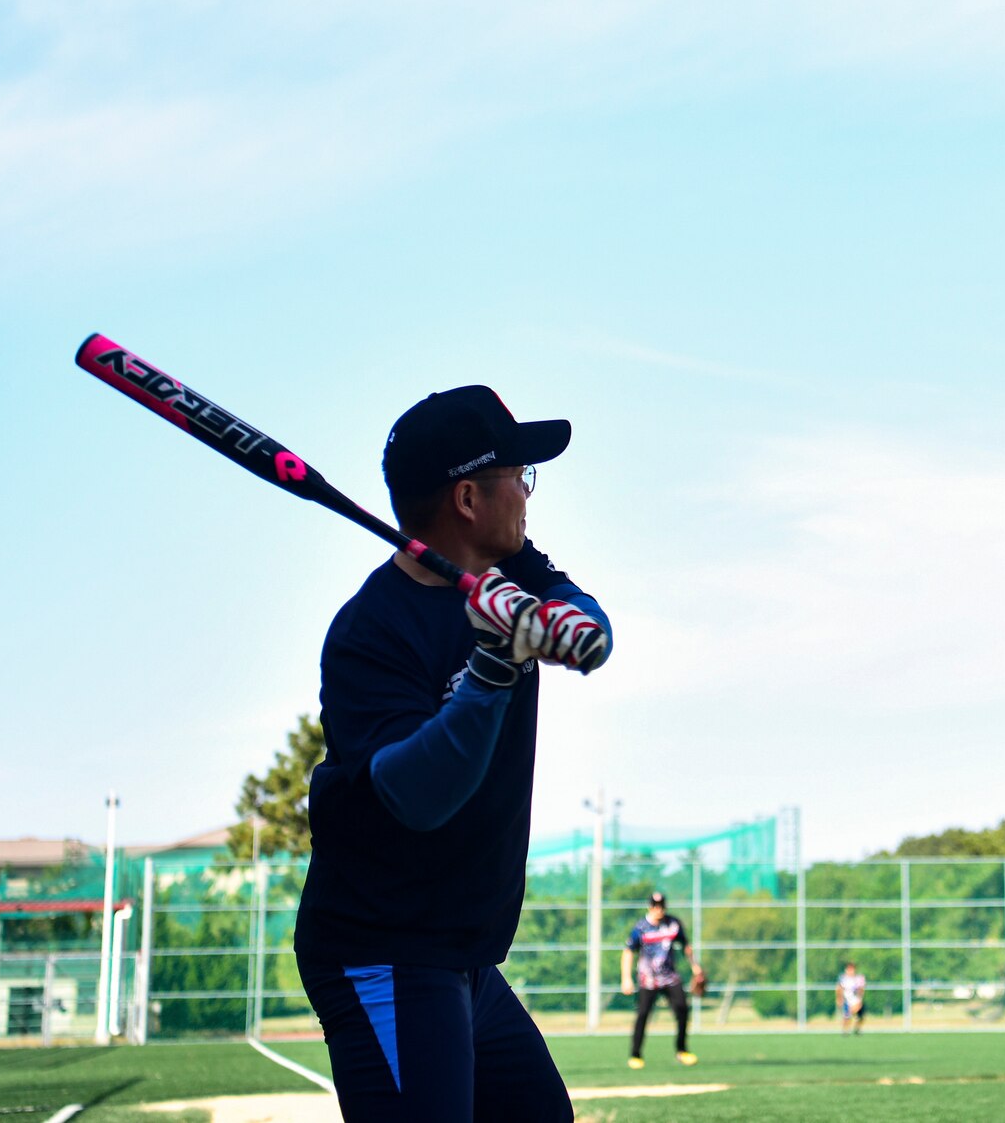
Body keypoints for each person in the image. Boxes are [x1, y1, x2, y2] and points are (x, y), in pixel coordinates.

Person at [294, 386, 612, 1122]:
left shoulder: (513, 569)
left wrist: (565, 625)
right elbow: (419, 794)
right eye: (518, 476)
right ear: (469, 497)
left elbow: (589, 620)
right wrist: (493, 666)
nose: (528, 494)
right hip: (384, 947)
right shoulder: (370, 634)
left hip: (464, 954)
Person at [620, 891, 702, 1069]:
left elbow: (685, 946)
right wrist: (626, 978)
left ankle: (682, 1050)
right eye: (655, 906)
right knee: (643, 1015)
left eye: (662, 906)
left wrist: (696, 967)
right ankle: (636, 1055)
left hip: (669, 977)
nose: (659, 909)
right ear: (650, 906)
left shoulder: (673, 924)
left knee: (682, 1009)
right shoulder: (641, 927)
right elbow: (628, 952)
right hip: (648, 979)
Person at [836, 961, 866, 1033]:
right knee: (847, 1017)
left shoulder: (859, 978)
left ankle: (857, 1029)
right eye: (849, 969)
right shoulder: (843, 978)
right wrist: (839, 998)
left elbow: (861, 989)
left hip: (856, 999)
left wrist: (859, 999)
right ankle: (845, 1030)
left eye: (852, 969)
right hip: (847, 999)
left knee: (860, 1016)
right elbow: (839, 988)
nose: (850, 971)